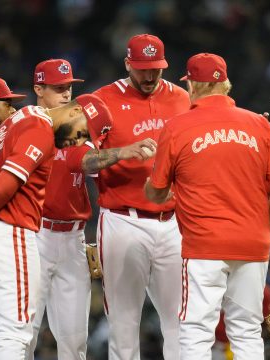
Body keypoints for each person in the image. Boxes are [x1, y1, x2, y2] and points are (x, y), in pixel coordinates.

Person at [145, 52, 270, 359]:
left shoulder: (177, 127)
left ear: (195, 85)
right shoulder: (258, 125)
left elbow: (157, 193)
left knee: (197, 330)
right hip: (252, 244)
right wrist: (266, 232)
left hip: (203, 245)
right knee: (247, 330)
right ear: (224, 83)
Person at [0, 94, 114, 360]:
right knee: (15, 332)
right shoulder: (39, 128)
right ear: (74, 112)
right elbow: (6, 183)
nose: (80, 141)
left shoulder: (21, 116)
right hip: (9, 231)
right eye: (83, 132)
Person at [89, 33, 190, 360]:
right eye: (142, 68)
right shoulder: (101, 100)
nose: (149, 76)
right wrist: (122, 152)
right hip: (123, 219)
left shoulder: (180, 98)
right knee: (123, 321)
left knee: (180, 321)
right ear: (127, 64)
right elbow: (82, 161)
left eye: (155, 69)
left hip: (173, 222)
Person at [27, 58, 92, 360]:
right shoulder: (24, 126)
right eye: (58, 88)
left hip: (73, 241)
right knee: (21, 332)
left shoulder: (79, 126)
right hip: (35, 235)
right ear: (38, 89)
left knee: (75, 339)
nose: (66, 94)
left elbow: (96, 168)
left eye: (68, 87)